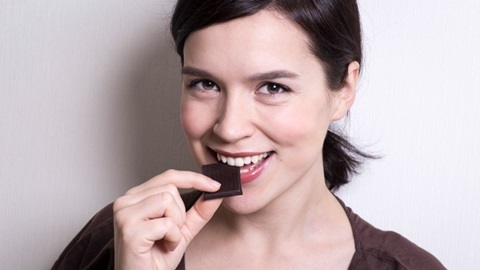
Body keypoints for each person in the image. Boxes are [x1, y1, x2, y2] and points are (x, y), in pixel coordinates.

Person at [52, 0, 446, 269]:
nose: (229, 127)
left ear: (343, 90)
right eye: (205, 84)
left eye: (272, 87)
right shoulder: (117, 240)